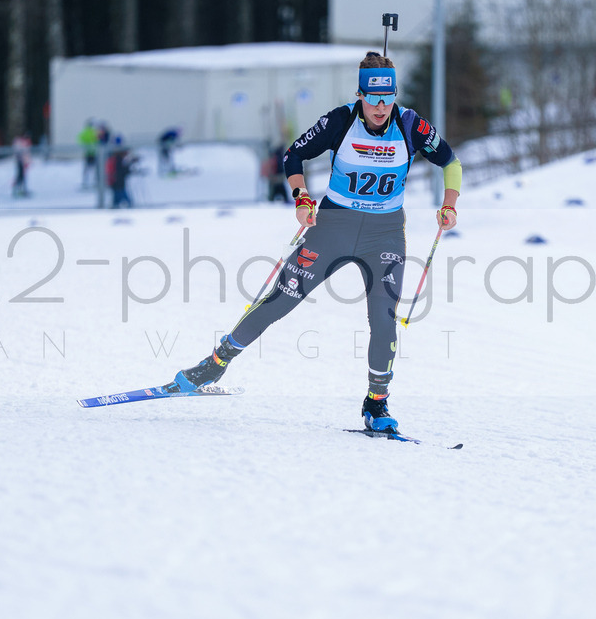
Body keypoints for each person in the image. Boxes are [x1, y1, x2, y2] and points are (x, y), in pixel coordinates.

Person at [170, 51, 462, 434]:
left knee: (384, 320)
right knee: (281, 298)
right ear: (360, 94)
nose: (379, 106)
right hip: (333, 226)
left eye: (386, 98)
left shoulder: (411, 126)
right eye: (372, 98)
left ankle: (377, 403)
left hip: (385, 234)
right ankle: (216, 362)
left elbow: (450, 161)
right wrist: (302, 198)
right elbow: (293, 155)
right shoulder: (339, 121)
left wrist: (449, 204)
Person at [105, 136, 136, 209]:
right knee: (124, 198)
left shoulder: (113, 156)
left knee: (116, 199)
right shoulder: (117, 158)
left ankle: (115, 208)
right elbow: (121, 169)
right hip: (118, 181)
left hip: (115, 181)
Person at [78, 119, 100, 187]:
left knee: (87, 168)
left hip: (88, 153)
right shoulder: (94, 132)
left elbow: (79, 139)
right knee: (94, 168)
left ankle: (86, 181)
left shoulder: (85, 132)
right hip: (92, 152)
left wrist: (84, 147)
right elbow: (98, 141)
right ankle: (94, 181)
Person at [12, 133, 31, 198]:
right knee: (20, 176)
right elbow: (19, 152)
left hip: (23, 163)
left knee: (23, 177)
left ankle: (23, 189)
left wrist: (27, 163)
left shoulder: (25, 144)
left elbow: (26, 155)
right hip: (20, 162)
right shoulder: (20, 143)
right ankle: (17, 189)